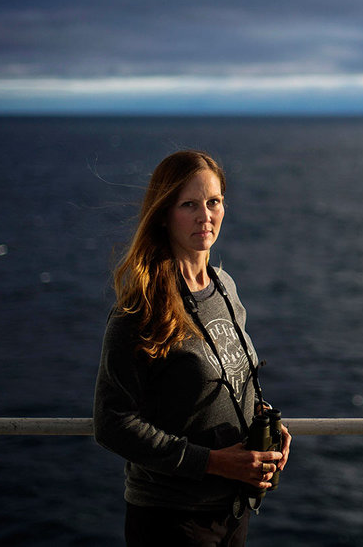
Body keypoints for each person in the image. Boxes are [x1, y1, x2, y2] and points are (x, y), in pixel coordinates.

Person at [94, 150, 291, 547]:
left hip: (231, 509)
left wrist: (266, 428)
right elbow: (112, 420)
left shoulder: (224, 286)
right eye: (189, 204)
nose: (206, 216)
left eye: (213, 202)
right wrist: (215, 462)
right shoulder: (142, 308)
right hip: (173, 519)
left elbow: (230, 376)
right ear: (164, 214)